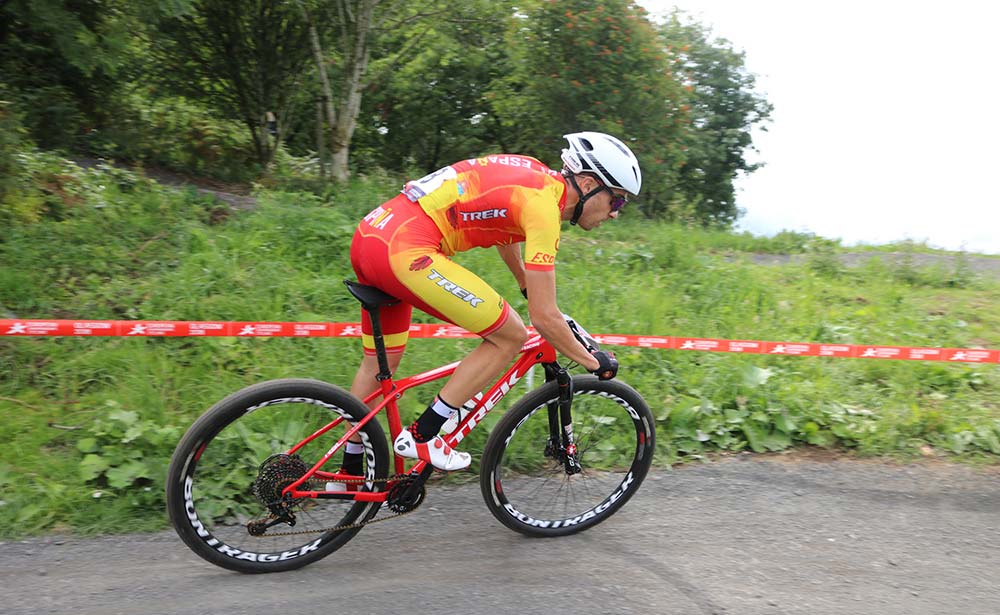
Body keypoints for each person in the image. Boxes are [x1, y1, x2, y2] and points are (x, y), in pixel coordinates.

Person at [341, 131, 642, 474]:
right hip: (405, 250)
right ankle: (424, 435)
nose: (615, 214)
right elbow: (544, 318)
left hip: (372, 234)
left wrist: (525, 283)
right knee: (510, 336)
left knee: (378, 367)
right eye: (616, 201)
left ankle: (347, 473)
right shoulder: (545, 211)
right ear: (588, 184)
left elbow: (504, 228)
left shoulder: (534, 175)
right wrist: (592, 361)